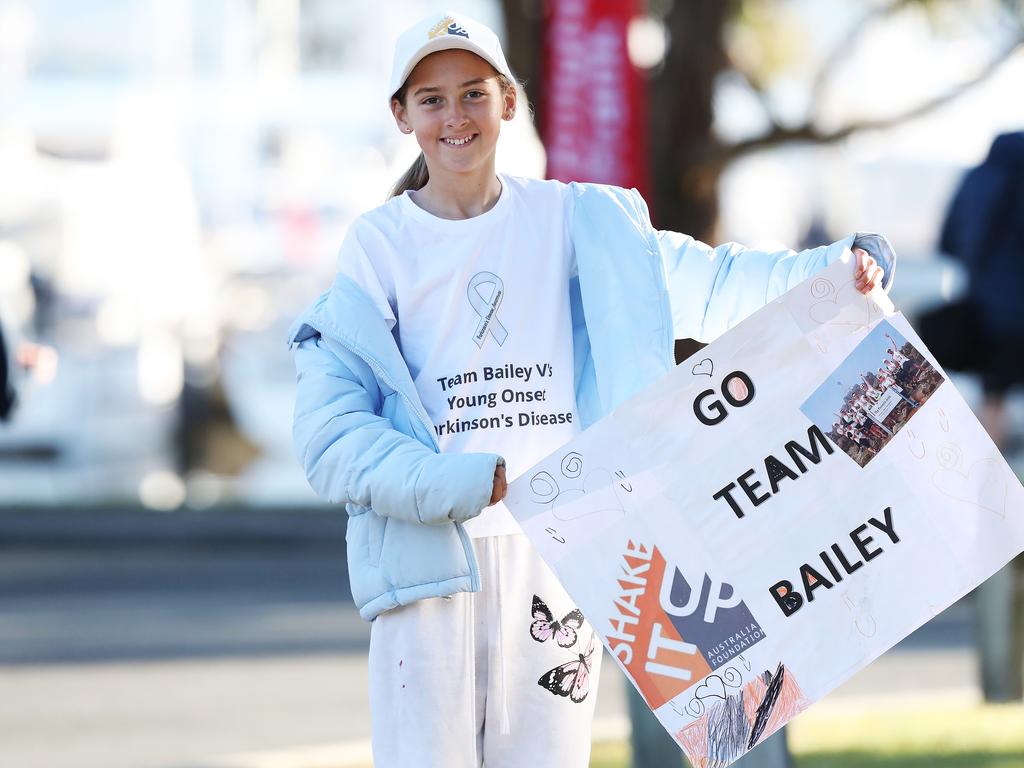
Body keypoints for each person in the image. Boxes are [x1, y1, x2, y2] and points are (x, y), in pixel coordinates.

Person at [286, 12, 892, 767]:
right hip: (428, 569)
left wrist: (834, 275)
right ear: (402, 116)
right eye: (432, 99)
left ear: (509, 102)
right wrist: (456, 481)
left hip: (562, 558)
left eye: (473, 93)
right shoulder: (378, 246)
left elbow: (709, 283)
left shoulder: (577, 221)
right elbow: (331, 436)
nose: (455, 117)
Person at [938, 131, 1024, 450]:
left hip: (988, 311)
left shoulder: (976, 179)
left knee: (993, 398)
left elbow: (947, 241)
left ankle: (992, 485)